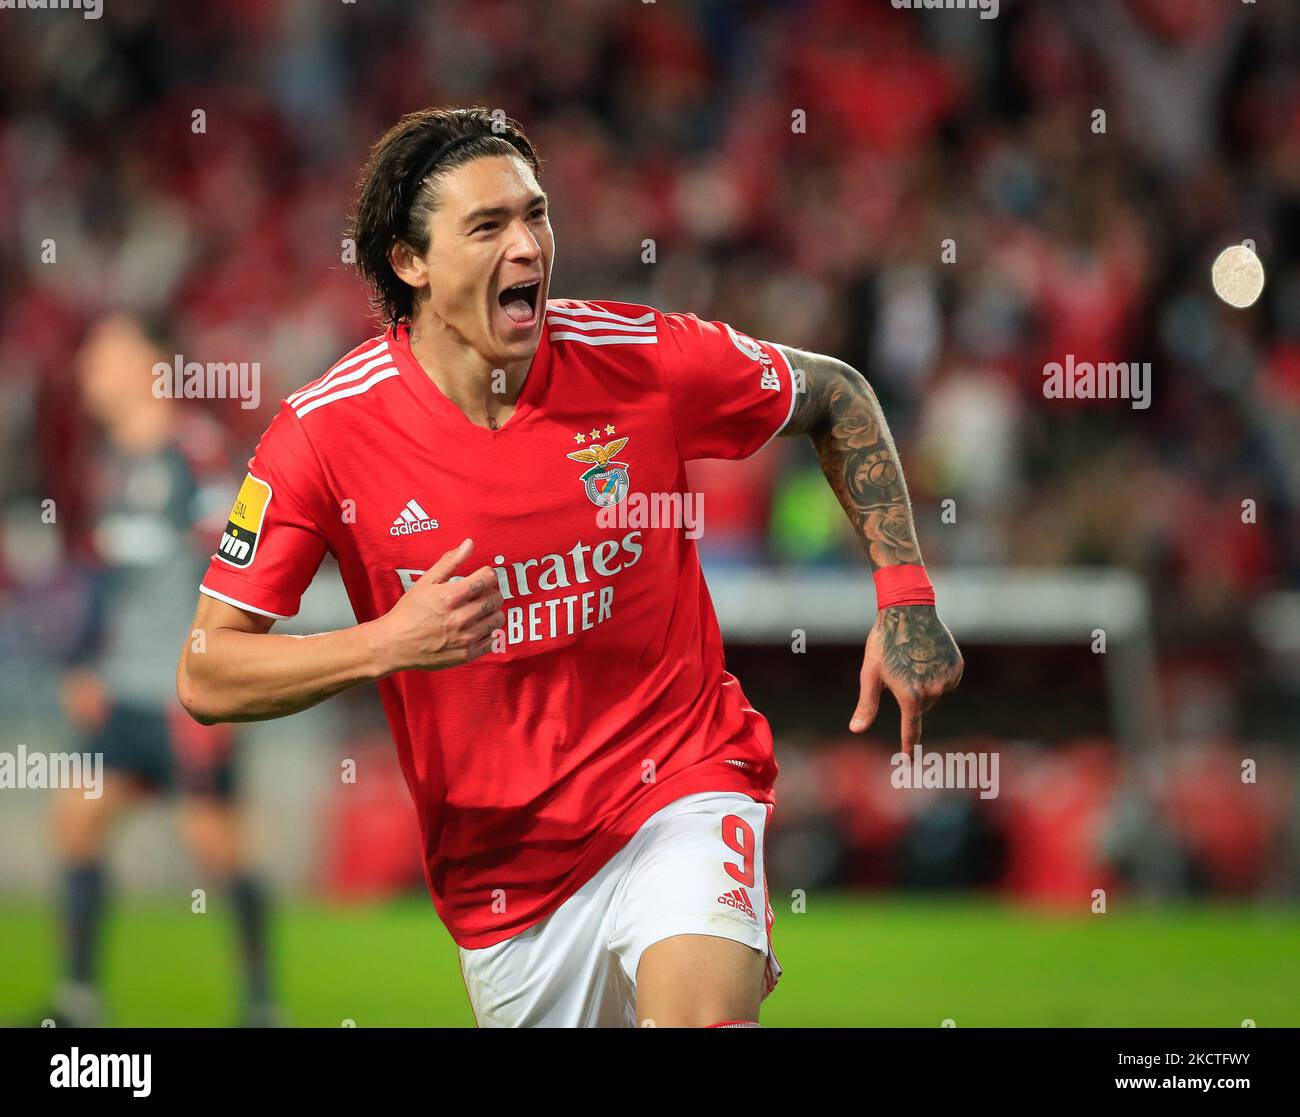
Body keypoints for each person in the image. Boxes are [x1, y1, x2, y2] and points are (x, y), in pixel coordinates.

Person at [176, 106, 962, 1028]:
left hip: (681, 783)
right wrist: (384, 642)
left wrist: (905, 596)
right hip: (506, 874)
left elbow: (836, 393)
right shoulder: (322, 434)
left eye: (535, 215)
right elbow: (208, 671)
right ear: (408, 261)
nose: (529, 246)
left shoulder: (640, 361)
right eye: (487, 226)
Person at [48, 315, 279, 1028]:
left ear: (151, 363)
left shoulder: (197, 453)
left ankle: (261, 1006)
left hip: (187, 694)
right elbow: (107, 578)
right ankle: (78, 1000)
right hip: (124, 689)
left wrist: (217, 678)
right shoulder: (108, 461)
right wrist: (87, 663)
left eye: (105, 353)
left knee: (214, 846)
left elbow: (235, 567)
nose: (91, 367)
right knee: (76, 818)